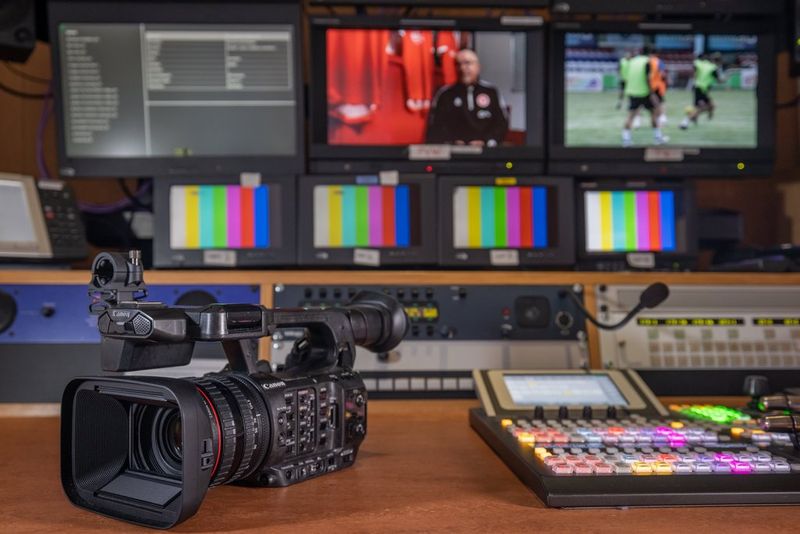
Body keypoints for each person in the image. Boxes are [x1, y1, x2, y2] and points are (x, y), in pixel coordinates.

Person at [425, 49, 509, 146]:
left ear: (478, 67)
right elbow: (435, 125)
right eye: (458, 64)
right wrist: (452, 142)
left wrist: (487, 141)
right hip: (454, 152)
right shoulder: (445, 94)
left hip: (486, 151)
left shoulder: (491, 92)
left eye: (467, 63)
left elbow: (502, 123)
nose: (462, 68)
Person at [621, 45, 668, 147]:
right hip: (645, 92)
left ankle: (626, 139)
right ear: (649, 53)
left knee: (630, 116)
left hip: (632, 91)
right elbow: (647, 78)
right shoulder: (648, 61)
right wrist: (652, 94)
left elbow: (625, 76)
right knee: (654, 114)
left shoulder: (631, 61)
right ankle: (657, 138)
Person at [680, 52, 722, 130]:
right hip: (701, 89)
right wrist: (726, 79)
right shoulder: (713, 68)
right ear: (718, 61)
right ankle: (686, 121)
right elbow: (719, 81)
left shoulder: (704, 64)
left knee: (709, 106)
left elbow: (695, 68)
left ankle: (696, 118)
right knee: (704, 107)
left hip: (699, 87)